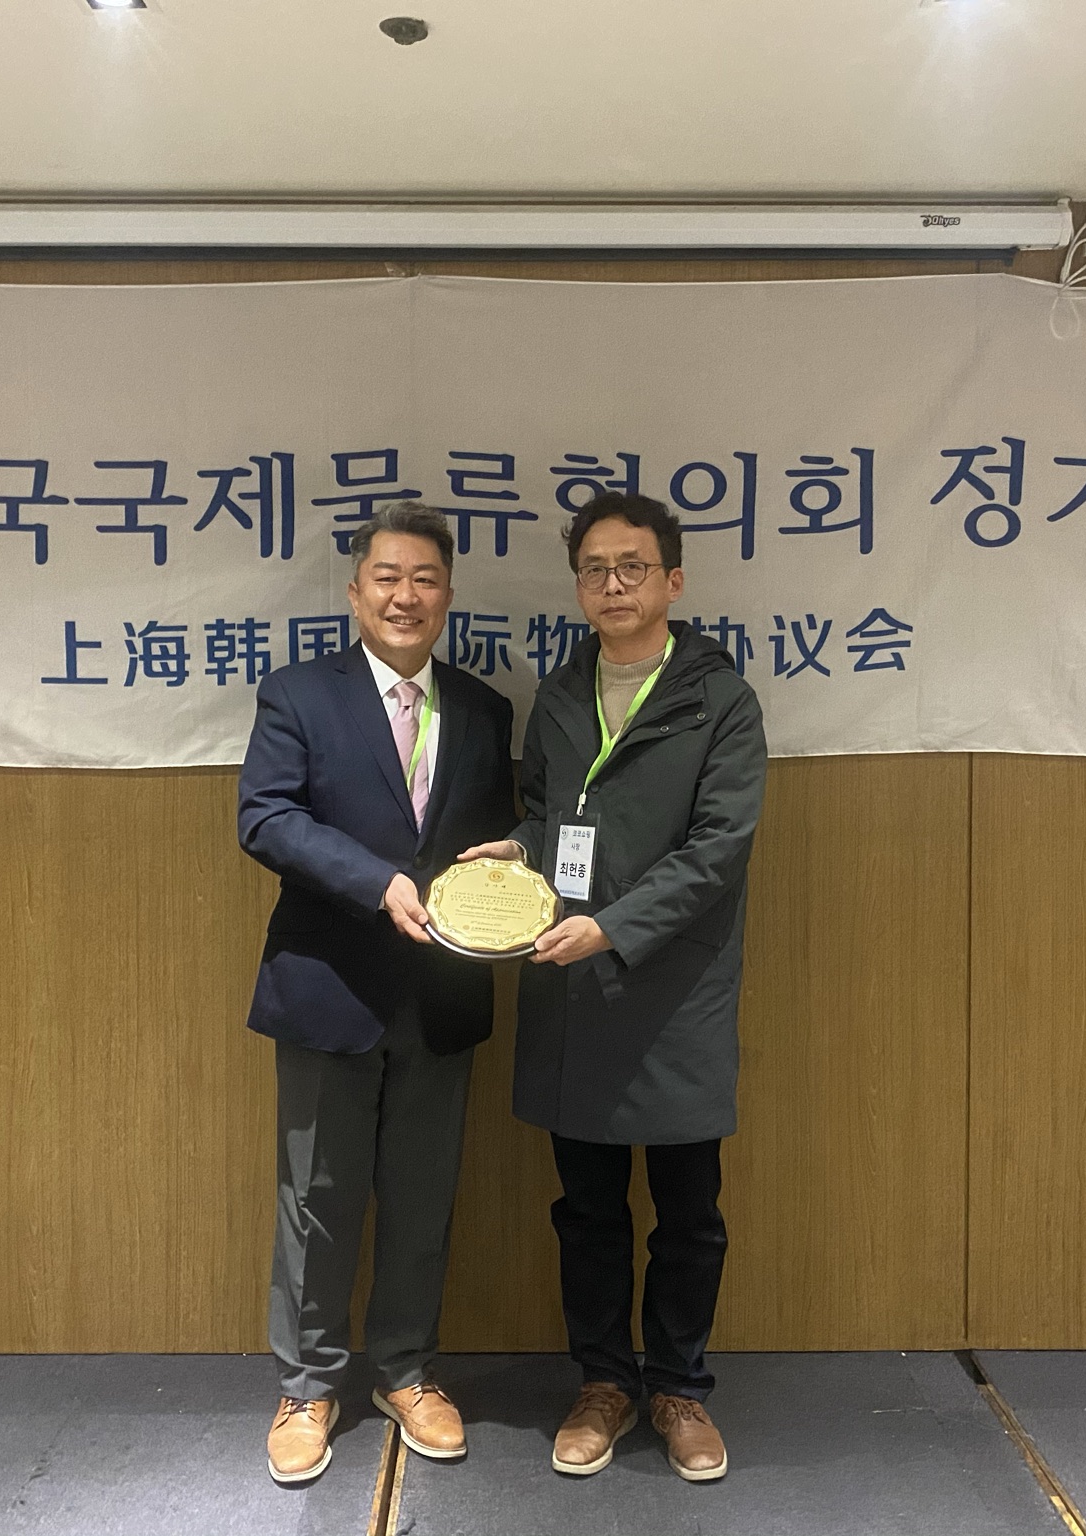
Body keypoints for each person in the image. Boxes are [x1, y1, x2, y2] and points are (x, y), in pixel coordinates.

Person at [460, 490, 767, 1483]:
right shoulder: (559, 695)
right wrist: (520, 850)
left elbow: (717, 848)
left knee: (688, 1212)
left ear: (672, 581)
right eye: (594, 569)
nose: (612, 585)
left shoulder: (720, 700)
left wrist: (616, 927)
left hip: (675, 988)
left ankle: (677, 1387)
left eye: (632, 567)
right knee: (585, 1209)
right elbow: (553, 817)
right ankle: (602, 1383)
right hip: (571, 984)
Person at [238, 501, 516, 1485]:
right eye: (387, 578)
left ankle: (405, 1369)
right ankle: (308, 1384)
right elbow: (265, 817)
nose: (406, 596)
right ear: (355, 594)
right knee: (316, 1195)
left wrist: (509, 868)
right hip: (328, 984)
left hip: (442, 992)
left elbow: (495, 832)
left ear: (448, 595)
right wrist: (376, 881)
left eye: (425, 579)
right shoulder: (297, 694)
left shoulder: (485, 709)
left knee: (421, 1194)